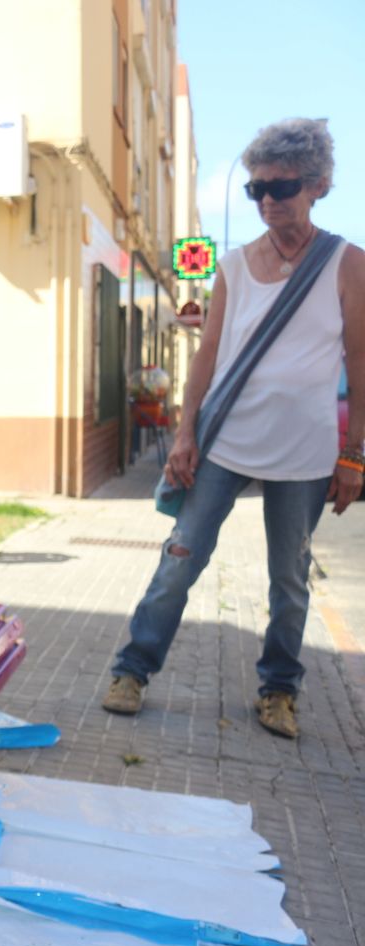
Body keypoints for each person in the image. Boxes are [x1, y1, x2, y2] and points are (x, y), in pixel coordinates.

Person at [103, 118, 365, 739]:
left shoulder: (348, 264)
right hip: (226, 444)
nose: (270, 201)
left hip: (305, 454)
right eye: (257, 190)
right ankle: (132, 670)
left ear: (320, 185)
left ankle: (279, 691)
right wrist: (185, 435)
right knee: (180, 560)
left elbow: (360, 364)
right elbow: (208, 357)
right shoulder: (236, 268)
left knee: (290, 579)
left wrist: (355, 454)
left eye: (283, 187)